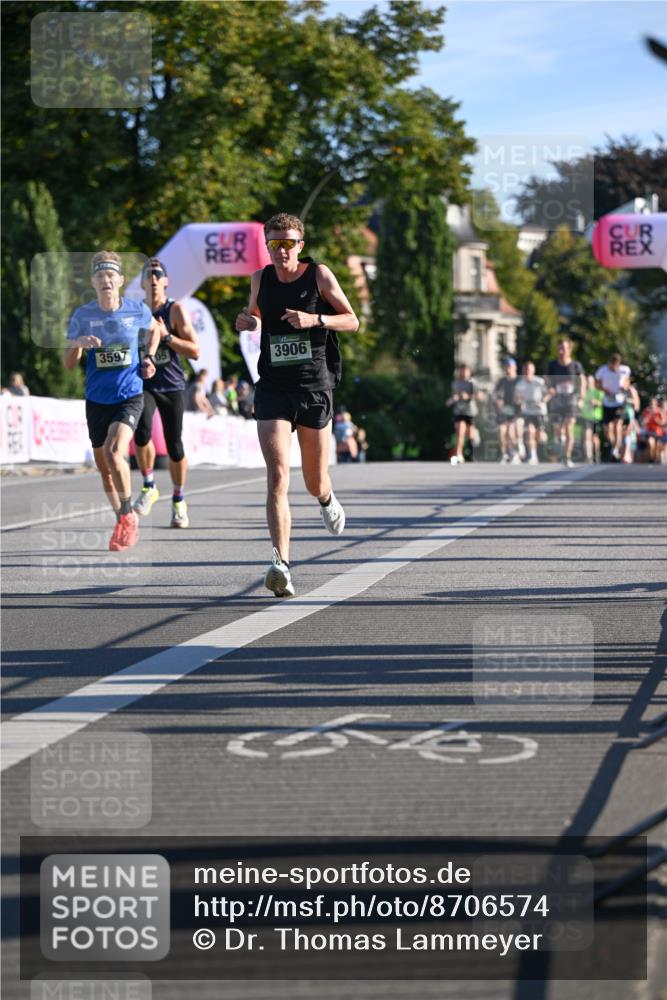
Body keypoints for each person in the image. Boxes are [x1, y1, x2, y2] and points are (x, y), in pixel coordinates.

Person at [235, 211, 359, 598]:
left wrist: (315, 319)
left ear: (299, 245)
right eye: (274, 243)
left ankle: (326, 498)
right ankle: (281, 564)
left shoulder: (318, 275)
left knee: (313, 480)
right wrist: (247, 322)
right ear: (267, 246)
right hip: (273, 386)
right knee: (277, 476)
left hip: (313, 387)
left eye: (288, 243)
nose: (281, 250)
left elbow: (352, 320)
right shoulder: (260, 278)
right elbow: (255, 316)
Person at [64, 251, 160, 550]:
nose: (105, 280)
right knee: (105, 469)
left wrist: (149, 356)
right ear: (93, 282)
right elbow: (69, 364)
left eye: (110, 275)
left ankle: (128, 513)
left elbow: (155, 329)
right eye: (100, 275)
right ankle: (123, 519)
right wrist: (78, 344)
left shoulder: (136, 309)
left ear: (119, 280)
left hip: (129, 395)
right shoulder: (82, 316)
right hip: (96, 399)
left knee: (115, 451)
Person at [133, 258, 201, 529]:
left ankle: (178, 499)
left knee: (174, 446)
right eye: (148, 274)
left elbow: (195, 351)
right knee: (141, 433)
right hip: (144, 383)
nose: (153, 278)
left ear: (166, 281)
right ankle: (149, 485)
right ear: (141, 283)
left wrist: (167, 337)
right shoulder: (135, 312)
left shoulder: (175, 310)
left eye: (157, 274)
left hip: (171, 385)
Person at [545, 338, 586, 467]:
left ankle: (567, 457)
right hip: (557, 400)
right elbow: (546, 379)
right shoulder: (552, 365)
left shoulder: (575, 365)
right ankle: (560, 440)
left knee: (569, 428)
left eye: (563, 348)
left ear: (569, 350)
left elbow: (582, 381)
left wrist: (581, 398)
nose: (561, 351)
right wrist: (549, 388)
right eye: (559, 348)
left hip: (571, 400)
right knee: (557, 430)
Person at [595, 352, 631, 461]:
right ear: (609, 363)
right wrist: (604, 390)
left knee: (617, 425)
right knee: (607, 430)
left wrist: (624, 387)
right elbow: (597, 383)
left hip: (619, 402)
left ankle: (616, 449)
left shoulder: (624, 370)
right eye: (612, 364)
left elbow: (627, 381)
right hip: (607, 402)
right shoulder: (602, 370)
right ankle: (613, 444)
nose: (614, 367)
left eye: (616, 365)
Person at [447, 363, 482, 465]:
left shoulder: (473, 383)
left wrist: (468, 396)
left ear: (469, 372)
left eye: (466, 370)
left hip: (470, 411)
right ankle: (459, 454)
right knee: (460, 431)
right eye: (462, 370)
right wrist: (452, 399)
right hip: (459, 411)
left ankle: (471, 453)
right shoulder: (455, 383)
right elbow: (453, 395)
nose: (464, 373)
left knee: (470, 434)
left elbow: (480, 396)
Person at [514, 361, 546, 465]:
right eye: (525, 370)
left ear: (533, 371)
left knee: (539, 437)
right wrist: (519, 401)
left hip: (539, 412)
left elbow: (549, 393)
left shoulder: (539, 382)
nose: (527, 372)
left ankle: (542, 438)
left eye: (529, 370)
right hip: (527, 412)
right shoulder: (520, 384)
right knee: (529, 432)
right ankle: (532, 455)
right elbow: (517, 397)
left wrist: (542, 401)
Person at [494, 358, 520, 463]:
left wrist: (520, 401)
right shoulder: (501, 381)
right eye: (506, 367)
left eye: (510, 367)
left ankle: (514, 452)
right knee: (501, 430)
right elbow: (496, 395)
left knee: (510, 431)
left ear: (515, 368)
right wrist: (498, 401)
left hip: (517, 411)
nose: (508, 369)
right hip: (504, 411)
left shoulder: (519, 381)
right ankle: (503, 454)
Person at [580, 375, 604, 464]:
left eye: (590, 381)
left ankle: (597, 455)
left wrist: (595, 402)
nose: (588, 383)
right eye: (587, 381)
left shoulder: (598, 392)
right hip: (585, 416)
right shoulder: (584, 392)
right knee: (587, 436)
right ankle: (588, 456)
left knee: (594, 437)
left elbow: (602, 403)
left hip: (595, 417)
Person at [641, 397, 665, 464]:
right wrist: (647, 418)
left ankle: (655, 458)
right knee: (651, 444)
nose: (652, 405)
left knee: (657, 447)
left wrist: (657, 421)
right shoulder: (647, 411)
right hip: (650, 432)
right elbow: (642, 422)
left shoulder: (659, 411)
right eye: (651, 403)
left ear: (656, 404)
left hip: (658, 432)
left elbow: (663, 422)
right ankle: (651, 458)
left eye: (653, 403)